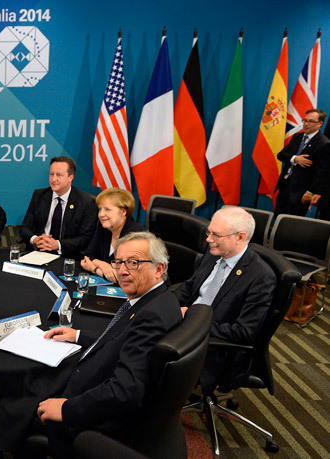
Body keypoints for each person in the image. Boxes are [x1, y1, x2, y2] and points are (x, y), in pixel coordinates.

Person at [36, 232, 181, 455]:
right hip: (97, 384)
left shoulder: (150, 316)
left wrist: (66, 408)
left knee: (20, 406)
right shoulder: (160, 298)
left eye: (133, 263)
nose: (122, 271)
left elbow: (125, 390)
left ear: (159, 269)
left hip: (95, 416)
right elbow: (120, 338)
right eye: (119, 262)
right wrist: (77, 335)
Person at [174, 206, 276, 393]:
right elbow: (191, 285)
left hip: (214, 347)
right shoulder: (215, 253)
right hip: (187, 324)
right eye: (209, 232)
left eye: (216, 235)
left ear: (240, 237)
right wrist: (170, 305)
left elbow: (243, 332)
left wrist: (191, 319)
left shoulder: (260, 277)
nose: (208, 239)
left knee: (148, 354)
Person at [19, 156, 96, 259]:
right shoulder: (39, 195)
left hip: (67, 256)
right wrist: (36, 240)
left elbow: (85, 239)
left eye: (59, 175)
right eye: (51, 174)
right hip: (38, 252)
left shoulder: (86, 202)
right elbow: (25, 228)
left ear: (71, 177)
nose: (53, 179)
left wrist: (57, 244)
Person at [274, 109, 330, 217]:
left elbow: (322, 173)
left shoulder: (324, 143)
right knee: (278, 217)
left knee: (292, 223)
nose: (306, 124)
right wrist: (295, 159)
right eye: (305, 120)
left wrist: (311, 191)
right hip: (285, 184)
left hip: (301, 192)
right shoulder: (297, 137)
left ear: (320, 123)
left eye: (311, 121)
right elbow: (281, 155)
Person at [80, 188, 144, 283]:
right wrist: (102, 264)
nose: (101, 214)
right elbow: (87, 257)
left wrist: (94, 269)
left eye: (107, 209)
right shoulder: (104, 227)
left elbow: (125, 278)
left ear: (123, 212)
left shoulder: (136, 236)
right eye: (100, 209)